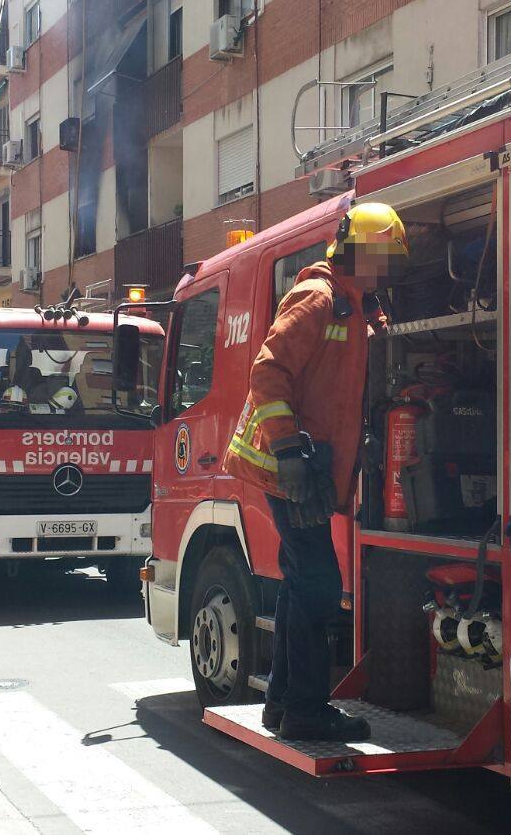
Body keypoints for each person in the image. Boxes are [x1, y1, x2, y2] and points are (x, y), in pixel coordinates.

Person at [223, 201, 407, 742]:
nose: (389, 272)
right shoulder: (317, 297)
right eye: (385, 259)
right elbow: (268, 371)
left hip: (305, 468)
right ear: (358, 252)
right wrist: (289, 453)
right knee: (322, 586)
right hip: (293, 468)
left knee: (302, 581)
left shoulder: (349, 306)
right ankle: (305, 709)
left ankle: (281, 702)